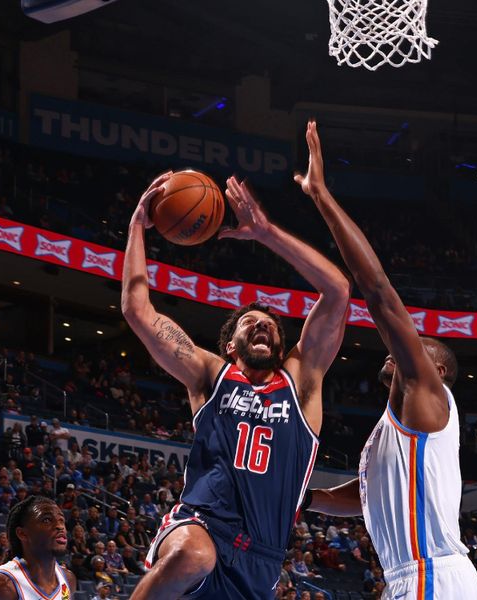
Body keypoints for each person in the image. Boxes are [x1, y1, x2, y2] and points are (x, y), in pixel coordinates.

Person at [123, 172, 349, 600]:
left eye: (270, 323)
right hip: (202, 523)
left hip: (261, 560)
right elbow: (138, 310)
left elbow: (337, 291)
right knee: (193, 555)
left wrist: (266, 233)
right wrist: (137, 225)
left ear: (282, 346)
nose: (262, 322)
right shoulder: (211, 375)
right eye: (250, 321)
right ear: (230, 345)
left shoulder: (301, 380)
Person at [296, 121, 477, 600]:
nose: (401, 352)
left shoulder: (429, 394)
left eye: (421, 351)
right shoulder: (396, 423)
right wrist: (307, 501)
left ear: (437, 371)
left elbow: (377, 291)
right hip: (411, 575)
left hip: (432, 574)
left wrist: (322, 197)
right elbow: (366, 495)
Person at [0, 496, 76, 600]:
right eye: (46, 520)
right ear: (22, 534)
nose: (60, 526)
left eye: (62, 520)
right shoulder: (1, 586)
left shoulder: (68, 579)